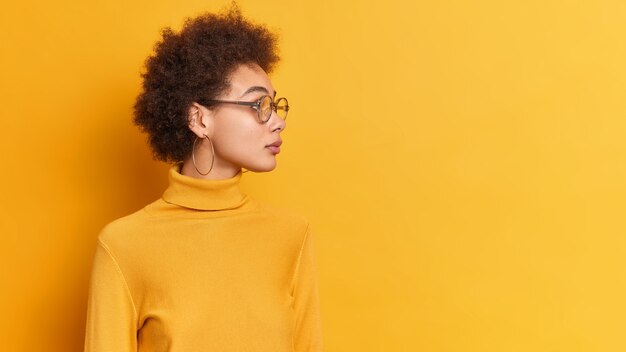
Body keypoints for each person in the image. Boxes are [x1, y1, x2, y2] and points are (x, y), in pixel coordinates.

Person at [83, 4, 324, 351]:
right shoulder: (123, 245)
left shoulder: (292, 236)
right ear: (199, 119)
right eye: (259, 106)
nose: (277, 121)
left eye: (276, 105)